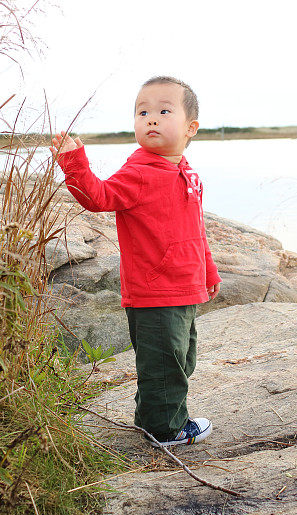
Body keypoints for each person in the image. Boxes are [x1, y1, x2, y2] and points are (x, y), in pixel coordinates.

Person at [49, 76, 220, 447]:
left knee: (179, 360)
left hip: (184, 286)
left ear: (191, 128)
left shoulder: (186, 173)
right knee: (162, 365)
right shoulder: (139, 172)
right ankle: (165, 430)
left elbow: (195, 228)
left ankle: (153, 418)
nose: (151, 119)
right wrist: (73, 162)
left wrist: (208, 268)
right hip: (155, 289)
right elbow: (98, 196)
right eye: (143, 112)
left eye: (163, 111)